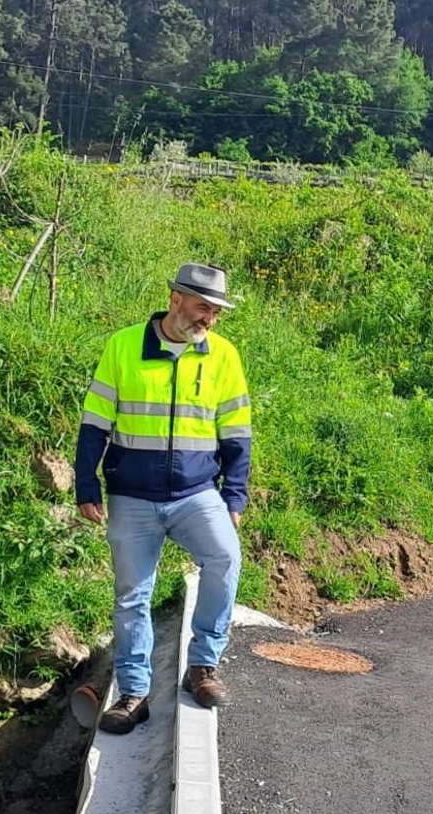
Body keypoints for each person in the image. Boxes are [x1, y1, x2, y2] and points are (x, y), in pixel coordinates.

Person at [74, 263, 252, 735]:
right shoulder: (124, 346)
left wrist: (233, 495)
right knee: (132, 596)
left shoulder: (223, 356)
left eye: (215, 312)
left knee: (225, 559)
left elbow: (236, 433)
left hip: (197, 494)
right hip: (132, 497)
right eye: (201, 307)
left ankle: (202, 668)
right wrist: (85, 484)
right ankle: (133, 695)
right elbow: (94, 422)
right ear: (175, 299)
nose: (208, 319)